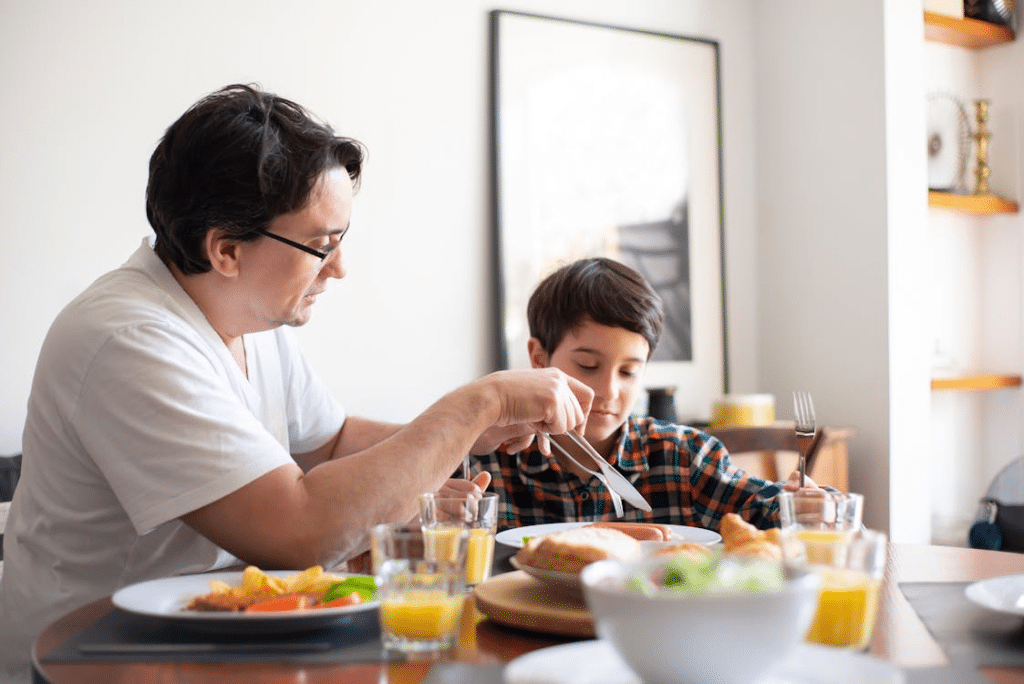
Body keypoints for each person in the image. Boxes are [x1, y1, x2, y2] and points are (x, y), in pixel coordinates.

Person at [0, 84, 591, 682]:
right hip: (95, 656)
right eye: (320, 245)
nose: (339, 268)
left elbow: (331, 443)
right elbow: (299, 532)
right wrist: (477, 403)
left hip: (222, 640)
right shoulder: (128, 339)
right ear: (226, 250)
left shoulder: (249, 315)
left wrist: (472, 435)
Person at [464, 257, 828, 533]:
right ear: (539, 358)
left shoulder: (683, 459)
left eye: (629, 371)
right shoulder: (486, 460)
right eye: (588, 366)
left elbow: (767, 509)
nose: (608, 391)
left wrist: (808, 507)